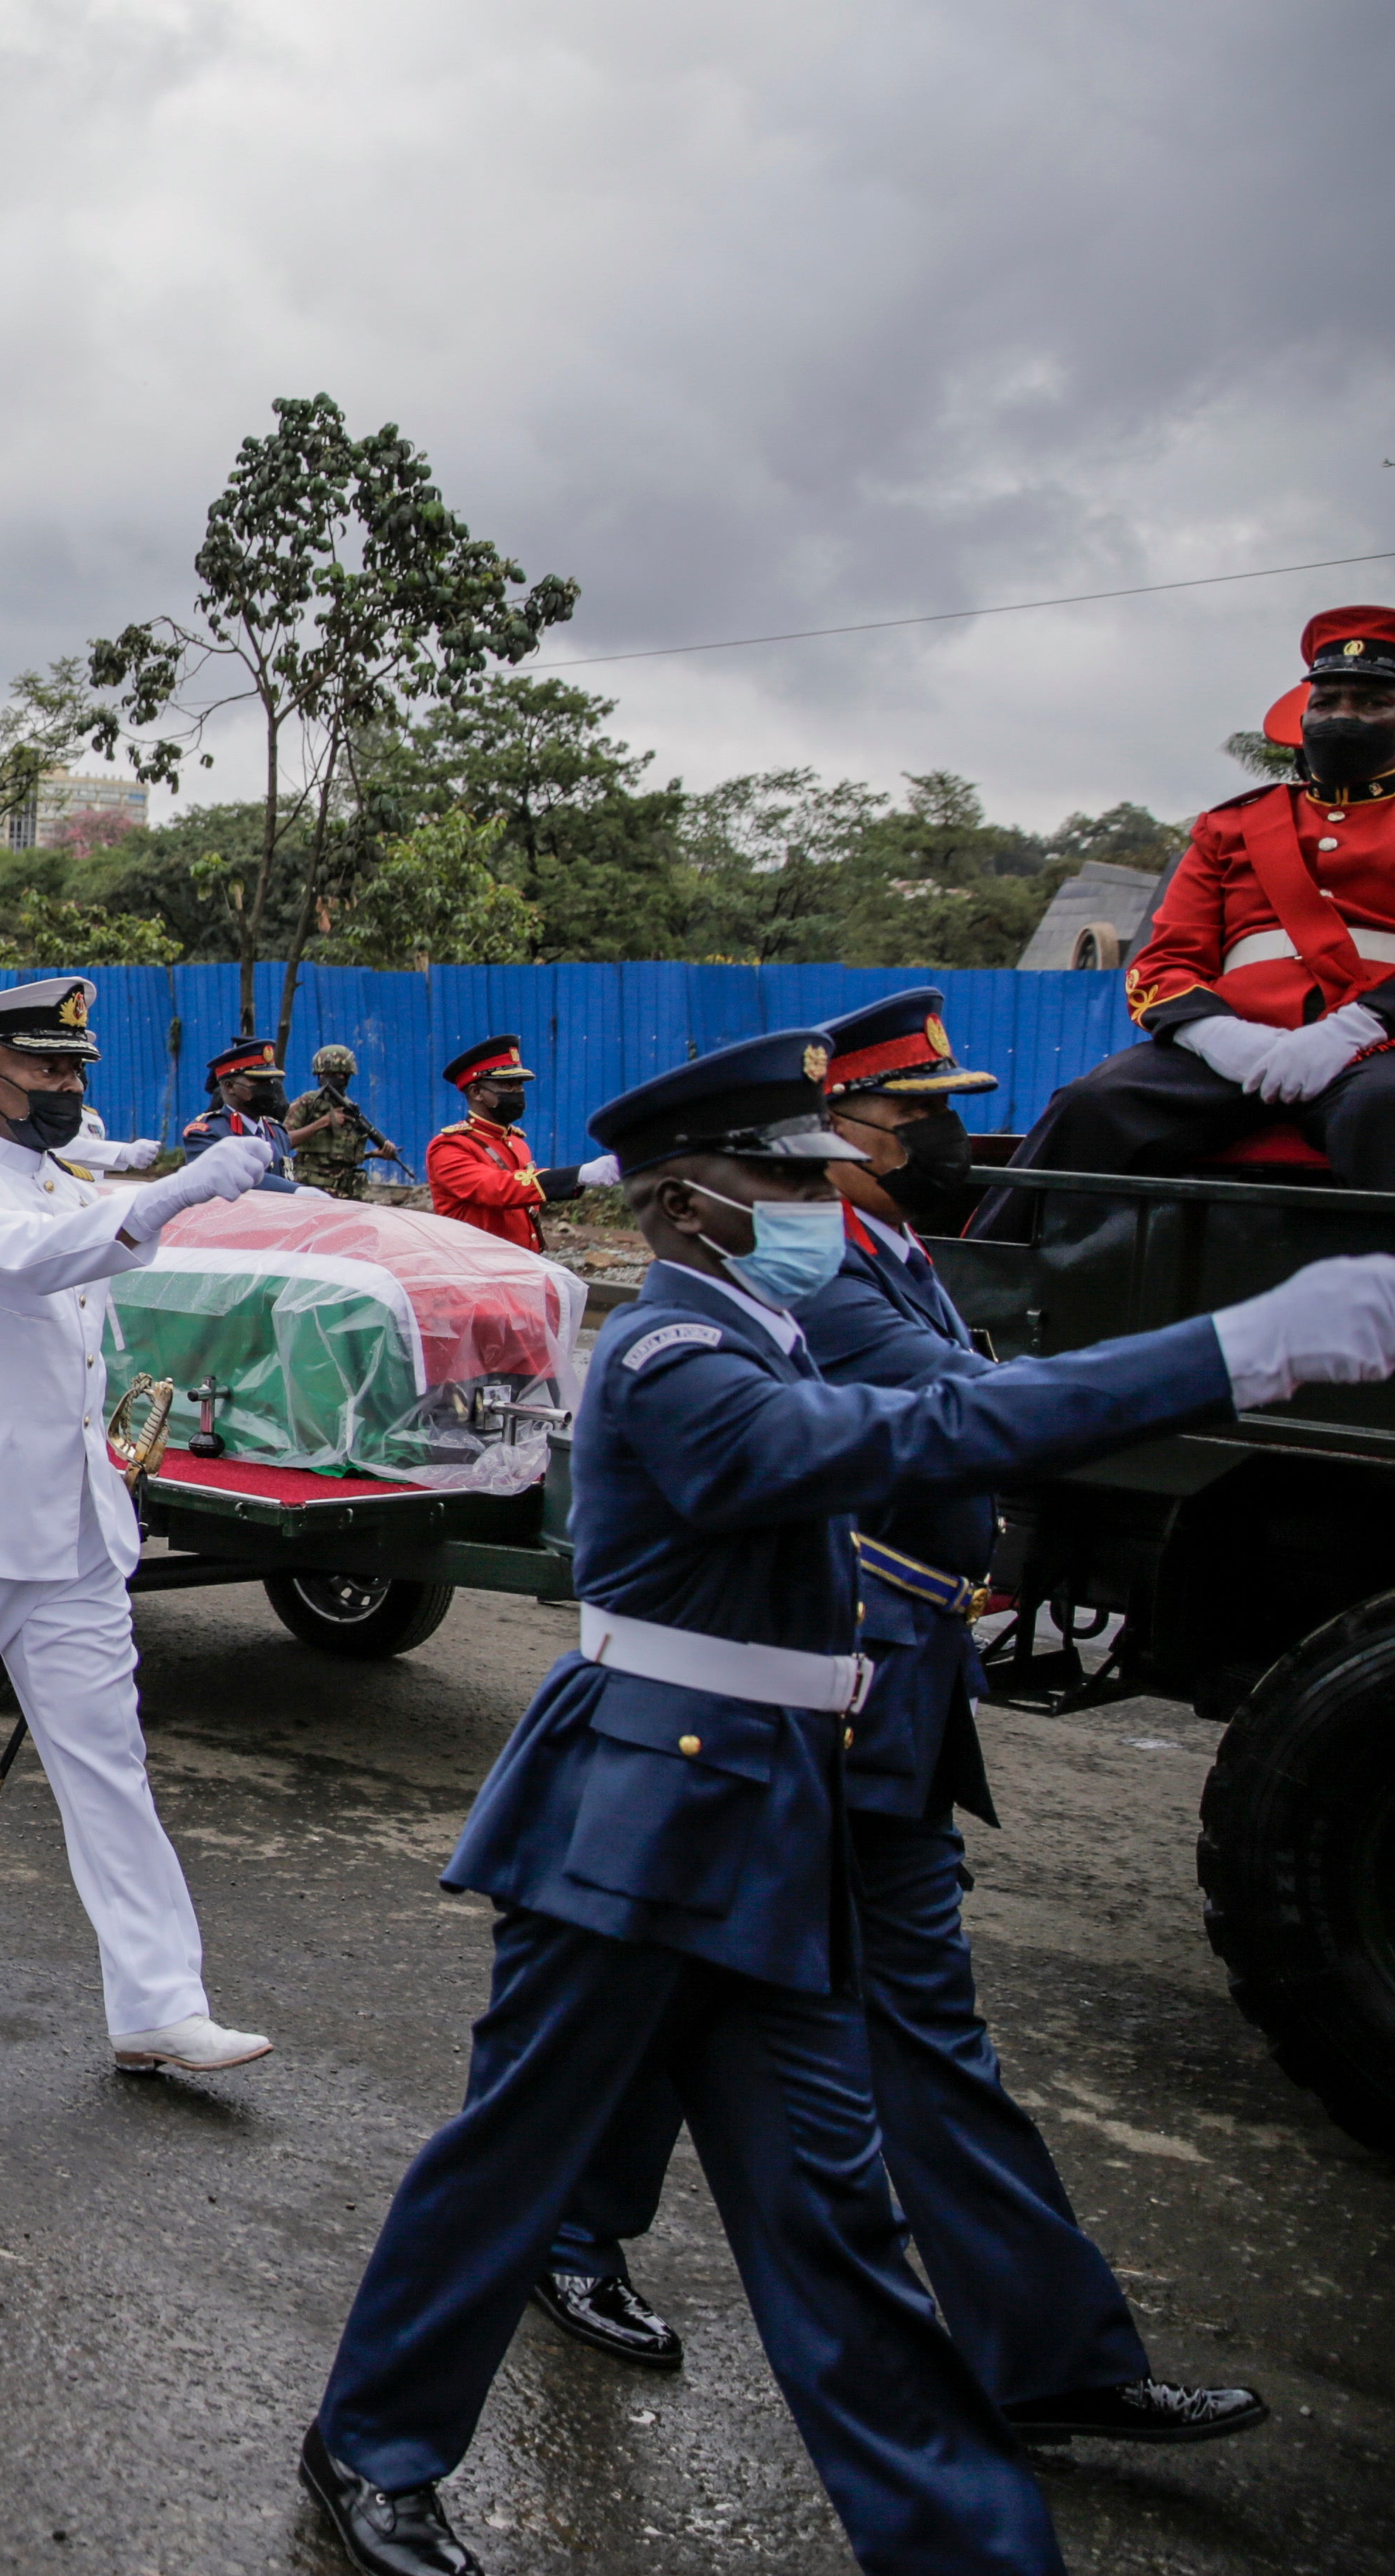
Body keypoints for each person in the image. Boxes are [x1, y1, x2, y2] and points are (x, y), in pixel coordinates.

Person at [298, 1027, 1395, 2576]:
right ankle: (372, 2449)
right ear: (684, 1204)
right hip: (640, 1821)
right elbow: (922, 1432)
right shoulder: (675, 1360)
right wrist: (1235, 1351)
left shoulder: (769, 1331)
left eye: (814, 1169)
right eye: (775, 1175)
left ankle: (960, 2542)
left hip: (771, 1825)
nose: (815, 1197)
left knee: (829, 2216)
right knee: (512, 2163)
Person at [527, 989, 1267, 2449]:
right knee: (660, 2007)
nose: (928, 1138)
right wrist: (1231, 1354)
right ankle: (560, 2242)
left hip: (894, 1688)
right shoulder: (784, 1279)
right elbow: (950, 1410)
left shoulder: (880, 1246)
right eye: (897, 1119)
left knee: (914, 2033)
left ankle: (1047, 2354)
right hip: (784, 1709)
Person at [0, 978, 281, 2071]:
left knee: (109, 1759)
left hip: (71, 1519)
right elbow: (44, 1256)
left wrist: (159, 1183)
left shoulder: (64, 1178)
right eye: (46, 1067)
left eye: (76, 1067)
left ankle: (157, 2002)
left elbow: (77, 1233)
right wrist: (174, 1193)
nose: (68, 1084)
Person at [976, 606, 1395, 1218]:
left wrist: (1352, 1030)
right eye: (1327, 700)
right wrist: (1220, 1037)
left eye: (1369, 703)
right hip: (1236, 1043)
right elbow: (1165, 961)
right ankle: (985, 1292)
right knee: (1092, 1104)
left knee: (1382, 1113)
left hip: (1381, 1048)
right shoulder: (1234, 825)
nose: (1341, 716)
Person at [424, 1034, 609, 1251]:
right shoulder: (449, 1148)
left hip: (520, 1265)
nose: (518, 1093)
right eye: (508, 1086)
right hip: (477, 1269)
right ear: (476, 1092)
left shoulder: (515, 1141)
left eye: (520, 1085)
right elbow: (497, 1189)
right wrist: (578, 1175)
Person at [288, 1042, 397, 1199]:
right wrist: (324, 1122)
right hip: (312, 1193)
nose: (334, 1079)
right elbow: (284, 1141)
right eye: (329, 1075)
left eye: (340, 1075)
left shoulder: (349, 1108)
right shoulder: (307, 1103)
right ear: (319, 1076)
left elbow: (339, 1157)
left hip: (346, 1194)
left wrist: (373, 1154)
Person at [178, 1034, 300, 1166]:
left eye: (270, 1080)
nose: (268, 1087)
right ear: (230, 1086)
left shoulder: (277, 1132)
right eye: (258, 1081)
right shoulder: (208, 1134)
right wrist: (297, 1188)